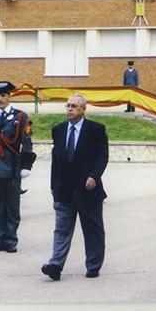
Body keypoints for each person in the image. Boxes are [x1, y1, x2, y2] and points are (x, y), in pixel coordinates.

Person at [42, 94, 109, 281]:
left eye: (74, 106)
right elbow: (56, 160)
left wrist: (94, 176)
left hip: (88, 190)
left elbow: (102, 156)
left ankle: (93, 265)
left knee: (92, 230)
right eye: (68, 106)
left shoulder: (95, 130)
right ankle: (55, 265)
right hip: (64, 190)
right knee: (61, 229)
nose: (69, 109)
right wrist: (53, 184)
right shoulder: (59, 130)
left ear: (83, 109)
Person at [0, 81, 34, 253]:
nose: (0, 99)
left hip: (11, 167)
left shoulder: (20, 116)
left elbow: (26, 142)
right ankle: (0, 237)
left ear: (9, 96)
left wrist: (26, 165)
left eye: (3, 95)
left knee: (12, 205)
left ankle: (11, 238)